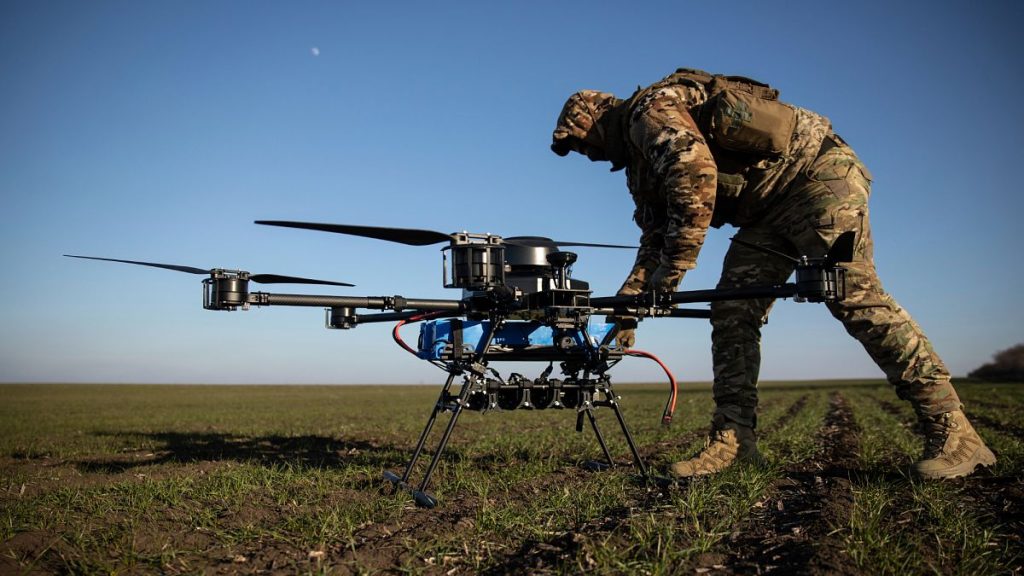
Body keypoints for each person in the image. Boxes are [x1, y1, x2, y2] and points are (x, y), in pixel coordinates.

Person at [550, 68, 995, 479]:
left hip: (817, 179)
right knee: (732, 312)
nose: (585, 155)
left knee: (852, 295)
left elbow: (697, 178)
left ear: (595, 120)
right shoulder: (638, 163)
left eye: (579, 142)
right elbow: (654, 239)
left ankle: (954, 431)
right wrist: (629, 310)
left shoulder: (650, 111)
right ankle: (734, 440)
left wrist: (673, 276)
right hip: (763, 212)